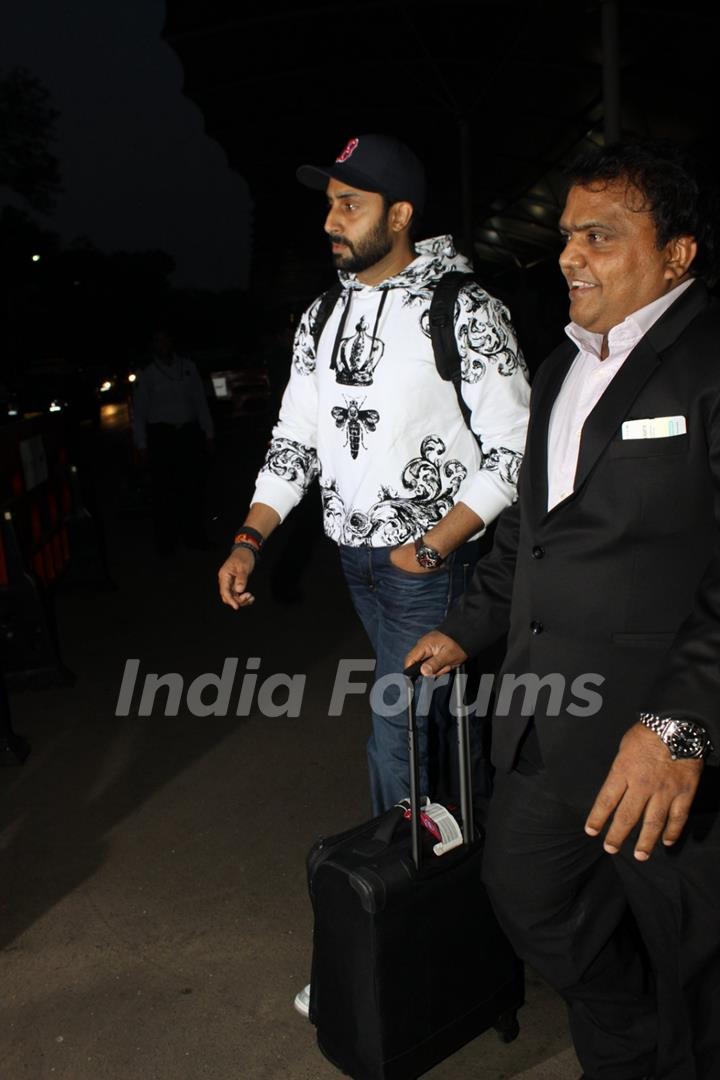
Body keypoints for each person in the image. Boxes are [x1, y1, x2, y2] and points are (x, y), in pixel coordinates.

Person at [406, 139, 720, 1080]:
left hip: (665, 748)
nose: (570, 256)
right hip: (551, 720)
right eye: (566, 236)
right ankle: (630, 1048)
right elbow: (531, 541)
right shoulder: (556, 371)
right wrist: (466, 626)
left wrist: (681, 723)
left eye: (601, 235)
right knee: (531, 898)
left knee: (697, 960)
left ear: (678, 254)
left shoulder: (709, 363)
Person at [217, 134, 530, 1014]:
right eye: (328, 203)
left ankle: (392, 936)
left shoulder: (464, 308)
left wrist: (433, 545)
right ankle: (462, 924)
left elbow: (514, 450)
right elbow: (295, 441)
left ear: (400, 214)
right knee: (437, 743)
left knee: (397, 738)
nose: (330, 220)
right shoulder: (321, 318)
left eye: (348, 204)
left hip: (431, 568)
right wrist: (251, 535)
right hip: (361, 566)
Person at [132, 328, 214, 555]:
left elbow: (200, 401)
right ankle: (167, 543)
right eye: (158, 340)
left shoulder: (187, 367)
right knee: (164, 492)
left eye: (166, 338)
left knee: (193, 488)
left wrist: (209, 432)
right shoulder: (146, 374)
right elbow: (139, 412)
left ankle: (195, 537)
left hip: (188, 434)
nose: (163, 343)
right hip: (162, 437)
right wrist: (142, 444)